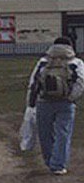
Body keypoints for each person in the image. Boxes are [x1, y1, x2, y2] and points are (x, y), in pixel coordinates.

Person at [26, 36, 84, 175]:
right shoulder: (76, 62)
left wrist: (31, 102)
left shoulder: (44, 61)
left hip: (44, 101)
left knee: (45, 134)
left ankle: (49, 160)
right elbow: (80, 82)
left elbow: (33, 82)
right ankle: (58, 165)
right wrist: (71, 98)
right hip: (65, 102)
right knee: (63, 133)